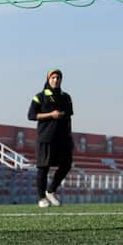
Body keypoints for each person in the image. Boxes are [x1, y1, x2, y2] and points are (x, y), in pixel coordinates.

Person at [28, 69, 74, 208]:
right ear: (48, 79)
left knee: (66, 164)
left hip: (63, 139)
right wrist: (50, 114)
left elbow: (68, 118)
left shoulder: (66, 97)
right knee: (43, 168)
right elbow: (31, 115)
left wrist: (70, 137)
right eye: (53, 77)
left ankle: (51, 191)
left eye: (58, 78)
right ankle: (42, 198)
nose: (56, 80)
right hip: (46, 138)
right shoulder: (39, 97)